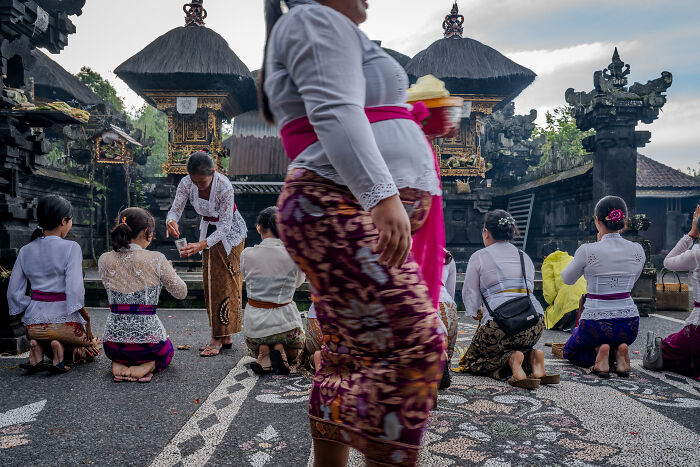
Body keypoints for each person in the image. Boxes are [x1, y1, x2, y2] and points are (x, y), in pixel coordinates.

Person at [260, 1, 446, 465]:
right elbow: (333, 108)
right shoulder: (314, 19)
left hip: (344, 202)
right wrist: (382, 197)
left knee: (348, 357)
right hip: (336, 201)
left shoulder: (328, 25)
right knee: (418, 345)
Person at [455, 210, 557, 389]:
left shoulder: (479, 256)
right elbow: (529, 289)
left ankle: (513, 360)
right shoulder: (523, 256)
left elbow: (470, 292)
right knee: (515, 342)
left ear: (486, 232)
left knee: (473, 361)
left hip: (502, 325)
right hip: (534, 323)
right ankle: (534, 357)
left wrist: (474, 311)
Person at [166, 151, 247, 357]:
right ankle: (223, 336)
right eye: (195, 181)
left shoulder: (224, 186)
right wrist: (171, 221)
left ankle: (217, 339)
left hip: (230, 235)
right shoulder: (186, 183)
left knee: (224, 283)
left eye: (202, 181)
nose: (199, 185)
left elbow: (226, 227)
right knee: (210, 282)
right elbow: (176, 209)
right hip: (208, 231)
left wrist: (201, 245)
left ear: (213, 171)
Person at [7, 195, 99, 374]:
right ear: (64, 220)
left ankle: (37, 347)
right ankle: (60, 349)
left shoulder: (25, 250)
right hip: (64, 326)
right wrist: (84, 316)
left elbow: (13, 293)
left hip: (33, 326)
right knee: (91, 348)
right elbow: (74, 289)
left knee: (45, 335)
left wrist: (32, 305)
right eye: (70, 219)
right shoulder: (71, 247)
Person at [100, 207, 187, 382]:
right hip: (149, 347)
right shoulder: (156, 258)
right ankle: (148, 365)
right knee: (167, 350)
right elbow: (181, 293)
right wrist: (166, 271)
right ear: (147, 232)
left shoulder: (104, 259)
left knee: (122, 350)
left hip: (113, 345)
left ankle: (118, 364)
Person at [561, 196, 645, 378]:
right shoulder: (638, 250)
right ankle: (619, 353)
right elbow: (633, 281)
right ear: (625, 221)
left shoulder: (588, 250)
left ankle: (602, 351)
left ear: (597, 221)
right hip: (629, 325)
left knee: (570, 352)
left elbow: (567, 279)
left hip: (595, 325)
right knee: (616, 339)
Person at [241, 207, 306, 375]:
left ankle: (263, 350)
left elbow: (245, 276)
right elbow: (298, 283)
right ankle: (281, 349)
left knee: (257, 345)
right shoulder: (294, 254)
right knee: (296, 351)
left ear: (258, 228)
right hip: (286, 325)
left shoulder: (246, 254)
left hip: (254, 329)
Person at [644, 204, 700, 379]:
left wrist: (691, 235)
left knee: (662, 352)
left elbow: (668, 263)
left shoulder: (696, 254)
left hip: (698, 330)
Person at [542, 249, 587, 331]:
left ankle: (567, 323)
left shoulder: (548, 263)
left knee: (551, 315)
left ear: (545, 257)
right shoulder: (571, 258)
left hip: (568, 297)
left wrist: (551, 303)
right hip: (585, 296)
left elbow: (549, 291)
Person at [438, 249, 458, 388]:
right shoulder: (447, 255)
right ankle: (443, 357)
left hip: (417, 303)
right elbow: (451, 291)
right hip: (447, 306)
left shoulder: (402, 245)